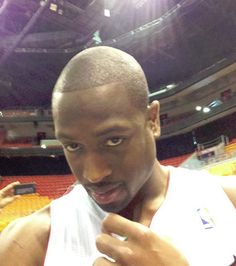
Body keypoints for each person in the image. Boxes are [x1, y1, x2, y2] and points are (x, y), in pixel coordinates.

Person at [0, 46, 235, 266]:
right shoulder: (28, 243)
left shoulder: (228, 200)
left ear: (152, 120)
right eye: (73, 146)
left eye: (113, 140)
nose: (94, 175)